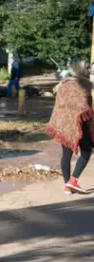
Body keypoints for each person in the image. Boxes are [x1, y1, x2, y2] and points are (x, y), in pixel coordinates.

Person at [46, 58, 94, 194]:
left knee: (66, 155)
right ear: (79, 69)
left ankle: (67, 185)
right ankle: (73, 180)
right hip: (79, 124)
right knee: (86, 152)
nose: (89, 70)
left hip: (64, 124)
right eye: (86, 67)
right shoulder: (83, 85)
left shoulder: (63, 84)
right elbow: (85, 107)